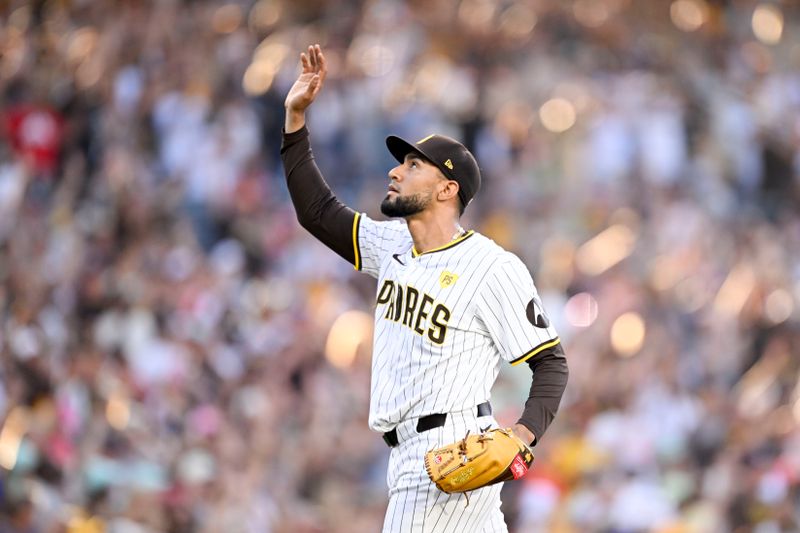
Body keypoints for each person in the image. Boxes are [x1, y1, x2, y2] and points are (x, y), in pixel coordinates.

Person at [281, 44, 568, 533]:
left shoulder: (490, 266)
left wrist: (521, 436)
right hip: (415, 453)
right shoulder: (392, 241)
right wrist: (294, 121)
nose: (396, 170)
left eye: (414, 166)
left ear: (447, 189)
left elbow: (550, 363)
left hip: (446, 454)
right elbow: (317, 213)